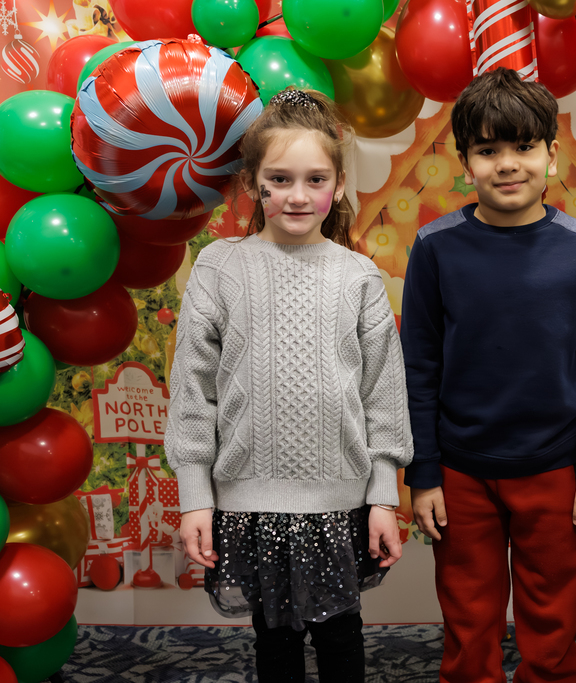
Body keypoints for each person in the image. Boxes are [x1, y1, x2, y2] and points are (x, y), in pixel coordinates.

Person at [166, 88, 412, 683]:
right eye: (280, 179)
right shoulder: (220, 268)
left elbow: (384, 394)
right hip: (251, 503)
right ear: (252, 184)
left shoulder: (357, 275)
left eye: (315, 179)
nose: (299, 196)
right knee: (274, 643)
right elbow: (193, 392)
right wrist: (196, 494)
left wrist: (383, 495)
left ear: (339, 183)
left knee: (341, 641)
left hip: (339, 502)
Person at [400, 67, 576, 683]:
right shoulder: (435, 247)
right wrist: (425, 473)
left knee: (553, 625)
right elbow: (418, 367)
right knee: (469, 622)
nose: (507, 164)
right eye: (488, 150)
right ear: (464, 163)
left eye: (523, 147)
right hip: (461, 473)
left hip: (557, 468)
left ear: (552, 154)